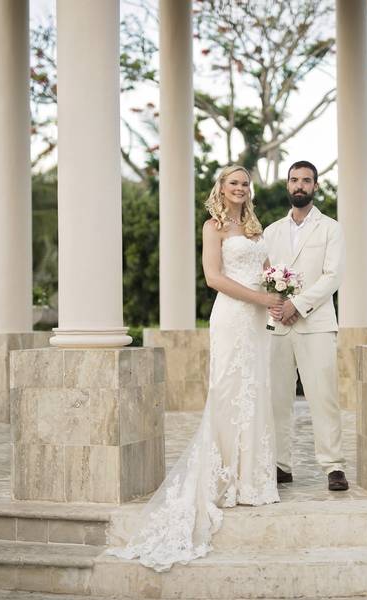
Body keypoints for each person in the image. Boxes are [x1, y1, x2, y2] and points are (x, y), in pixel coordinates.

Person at [107, 165, 282, 572]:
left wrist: (279, 290)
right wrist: (260, 298)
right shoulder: (213, 226)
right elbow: (214, 278)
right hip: (233, 317)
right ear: (221, 188)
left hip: (258, 322)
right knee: (227, 391)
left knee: (256, 389)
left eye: (244, 183)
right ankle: (224, 479)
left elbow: (268, 272)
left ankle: (254, 481)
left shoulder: (256, 228)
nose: (239, 188)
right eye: (232, 183)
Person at [262, 160, 348, 491]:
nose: (300, 185)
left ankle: (333, 466)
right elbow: (265, 277)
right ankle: (280, 464)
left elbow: (333, 275)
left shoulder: (331, 228)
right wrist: (276, 306)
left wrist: (297, 305)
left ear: (315, 186)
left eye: (306, 180)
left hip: (317, 324)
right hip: (277, 326)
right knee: (277, 398)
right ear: (287, 185)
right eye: (295, 180)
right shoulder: (271, 231)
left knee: (323, 395)